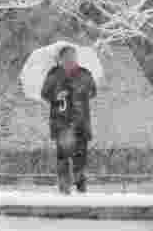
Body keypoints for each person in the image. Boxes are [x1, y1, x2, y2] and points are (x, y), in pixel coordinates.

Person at [40, 45, 97, 194]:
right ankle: (64, 188)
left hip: (81, 122)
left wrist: (80, 90)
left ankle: (81, 187)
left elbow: (93, 91)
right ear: (61, 59)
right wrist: (56, 97)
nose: (71, 60)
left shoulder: (84, 74)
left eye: (73, 56)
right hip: (61, 122)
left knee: (81, 157)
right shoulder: (54, 74)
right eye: (67, 57)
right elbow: (45, 94)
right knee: (63, 156)